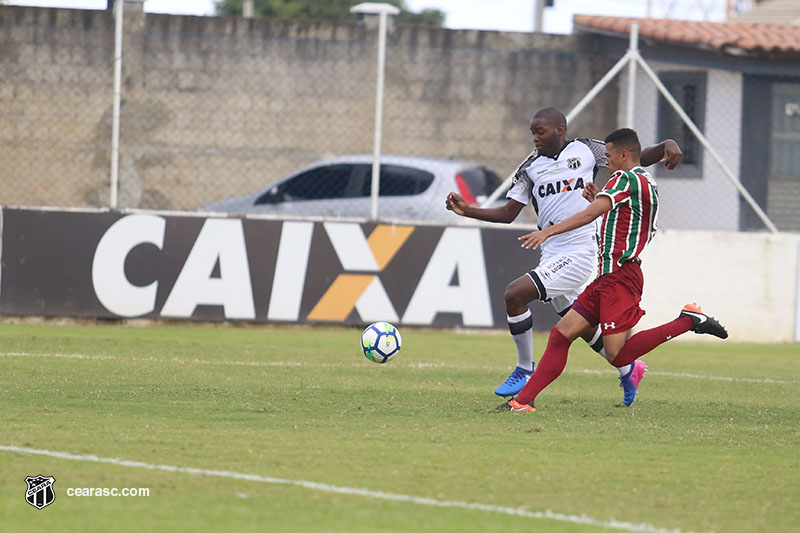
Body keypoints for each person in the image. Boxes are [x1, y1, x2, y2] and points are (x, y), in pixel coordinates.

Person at [445, 107, 682, 406]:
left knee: (515, 294)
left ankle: (524, 369)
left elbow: (632, 157)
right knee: (577, 327)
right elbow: (508, 213)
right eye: (532, 132)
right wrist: (468, 211)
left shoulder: (586, 149)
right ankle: (628, 368)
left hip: (583, 248)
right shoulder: (529, 167)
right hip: (552, 253)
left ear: (560, 129)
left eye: (540, 132)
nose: (535, 138)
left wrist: (666, 145)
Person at [497, 127, 728, 413]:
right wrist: (598, 198)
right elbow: (622, 215)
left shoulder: (625, 178)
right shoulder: (642, 180)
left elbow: (590, 215)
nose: (605, 162)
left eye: (608, 156)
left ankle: (688, 320)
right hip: (606, 277)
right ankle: (523, 402)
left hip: (621, 278)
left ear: (623, 154)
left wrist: (549, 232)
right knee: (561, 335)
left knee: (618, 356)